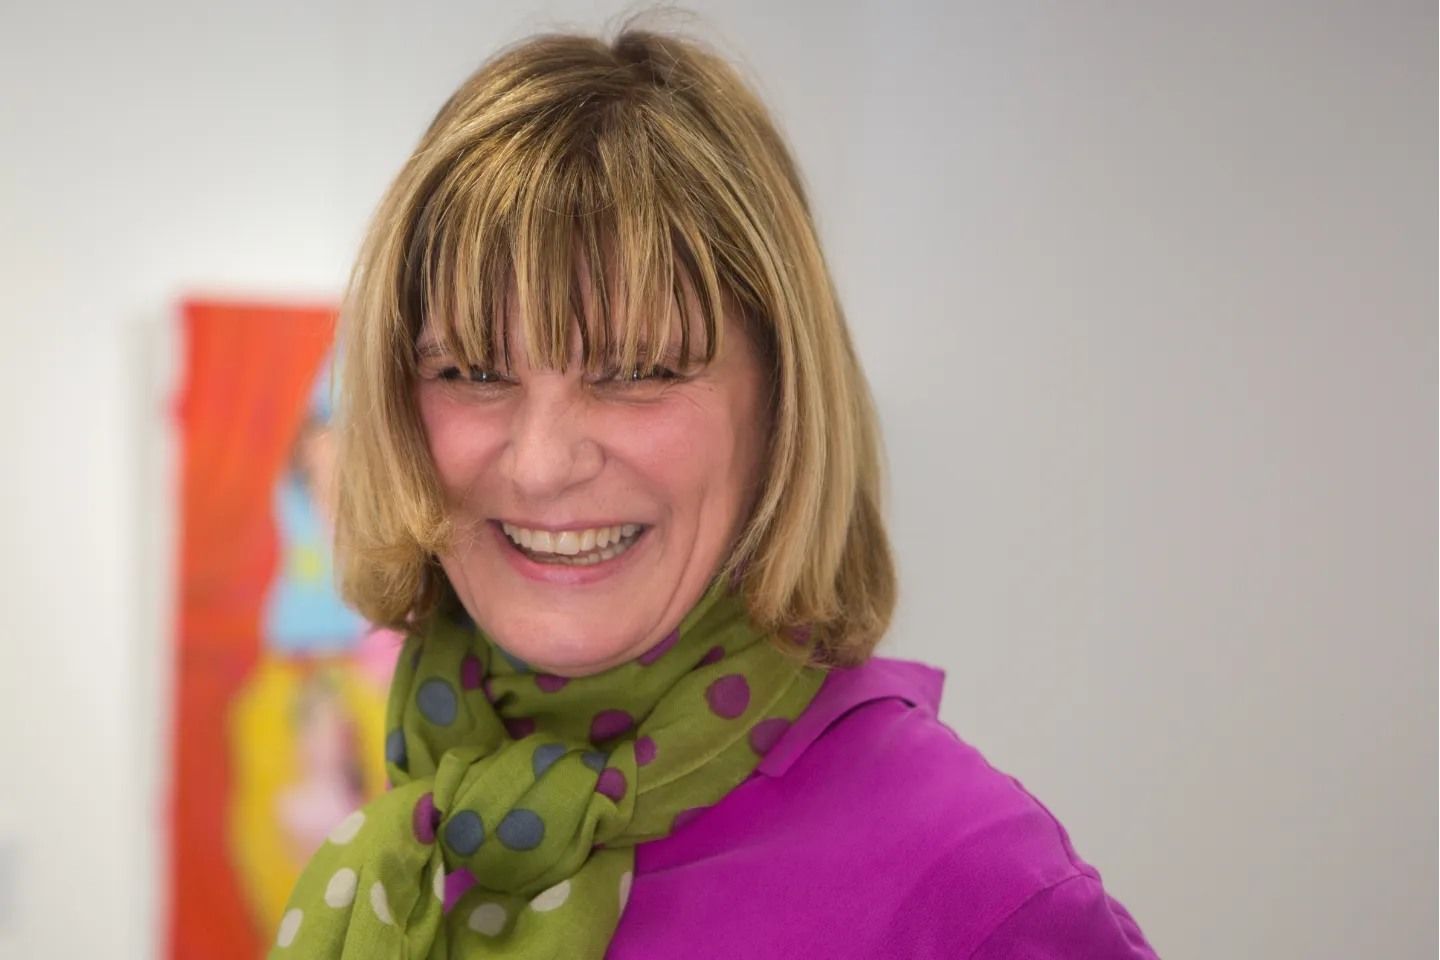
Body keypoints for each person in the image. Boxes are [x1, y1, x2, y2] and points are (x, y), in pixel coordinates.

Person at [270, 23, 1160, 959]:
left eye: (637, 370)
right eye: (472, 371)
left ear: (780, 401)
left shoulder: (978, 892)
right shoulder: (434, 812)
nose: (539, 463)